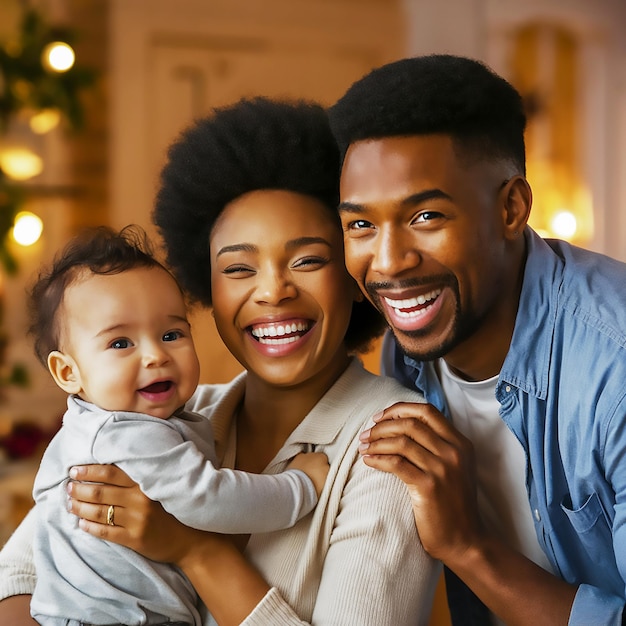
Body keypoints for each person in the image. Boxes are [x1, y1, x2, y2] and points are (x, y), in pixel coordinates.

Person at [0, 98, 440, 625]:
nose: (273, 290)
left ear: (351, 271)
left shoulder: (390, 445)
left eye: (307, 260)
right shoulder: (171, 417)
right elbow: (19, 577)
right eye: (238, 268)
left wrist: (193, 550)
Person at [327, 54, 626, 625]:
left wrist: (467, 547)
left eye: (426, 216)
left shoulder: (614, 370)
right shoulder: (409, 350)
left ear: (511, 207)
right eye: (361, 225)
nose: (389, 263)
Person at [26, 224, 329, 626]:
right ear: (68, 372)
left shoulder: (92, 428)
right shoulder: (125, 435)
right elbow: (209, 498)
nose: (155, 355)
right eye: (120, 343)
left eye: (171, 333)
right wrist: (301, 487)